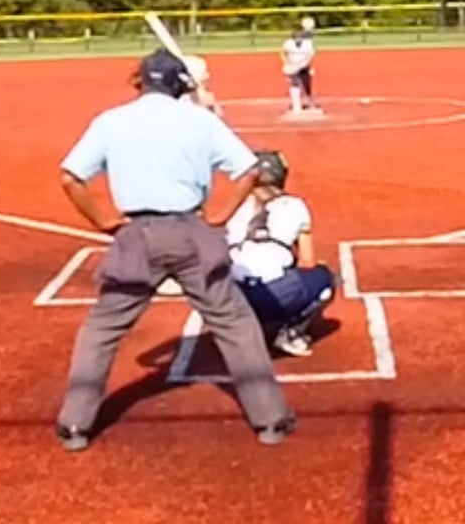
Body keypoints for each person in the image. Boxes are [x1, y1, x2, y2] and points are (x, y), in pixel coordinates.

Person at [54, 49, 295, 452]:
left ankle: (75, 424)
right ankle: (271, 420)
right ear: (179, 85)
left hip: (137, 234)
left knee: (103, 328)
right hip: (191, 230)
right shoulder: (200, 120)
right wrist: (222, 214)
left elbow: (70, 178)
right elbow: (249, 169)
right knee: (234, 322)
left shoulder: (111, 121)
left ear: (141, 82)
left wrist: (102, 221)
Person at [226, 150, 335, 357]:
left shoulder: (235, 207)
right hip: (270, 296)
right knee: (324, 279)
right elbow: (307, 262)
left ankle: (235, 329)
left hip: (230, 297)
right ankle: (290, 334)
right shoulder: (295, 206)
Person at [280, 26, 318, 113]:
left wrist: (306, 65)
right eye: (296, 37)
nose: (298, 39)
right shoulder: (288, 43)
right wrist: (287, 62)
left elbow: (310, 55)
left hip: (304, 66)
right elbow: (283, 53)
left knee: (307, 85)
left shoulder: (308, 44)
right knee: (295, 83)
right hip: (292, 66)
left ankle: (310, 102)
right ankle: (296, 104)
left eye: (300, 37)